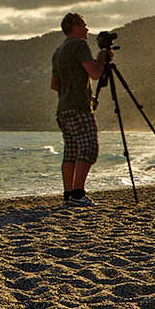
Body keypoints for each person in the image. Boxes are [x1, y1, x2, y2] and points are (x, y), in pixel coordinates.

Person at [50, 13, 111, 207]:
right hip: (78, 108)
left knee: (71, 151)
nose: (87, 29)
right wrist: (102, 60)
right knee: (89, 148)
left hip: (63, 108)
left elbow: (54, 84)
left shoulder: (58, 51)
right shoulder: (79, 45)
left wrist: (80, 94)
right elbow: (94, 73)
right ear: (74, 27)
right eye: (84, 25)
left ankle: (68, 195)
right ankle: (78, 193)